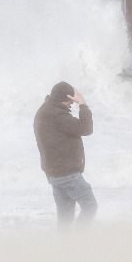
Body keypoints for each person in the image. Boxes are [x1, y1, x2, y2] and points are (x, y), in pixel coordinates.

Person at [34, 81, 97, 227]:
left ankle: (65, 246)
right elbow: (86, 128)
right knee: (90, 205)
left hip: (54, 172)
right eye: (70, 102)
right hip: (66, 173)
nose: (71, 105)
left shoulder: (45, 110)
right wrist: (82, 104)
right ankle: (78, 240)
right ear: (64, 98)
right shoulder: (56, 115)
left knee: (65, 217)